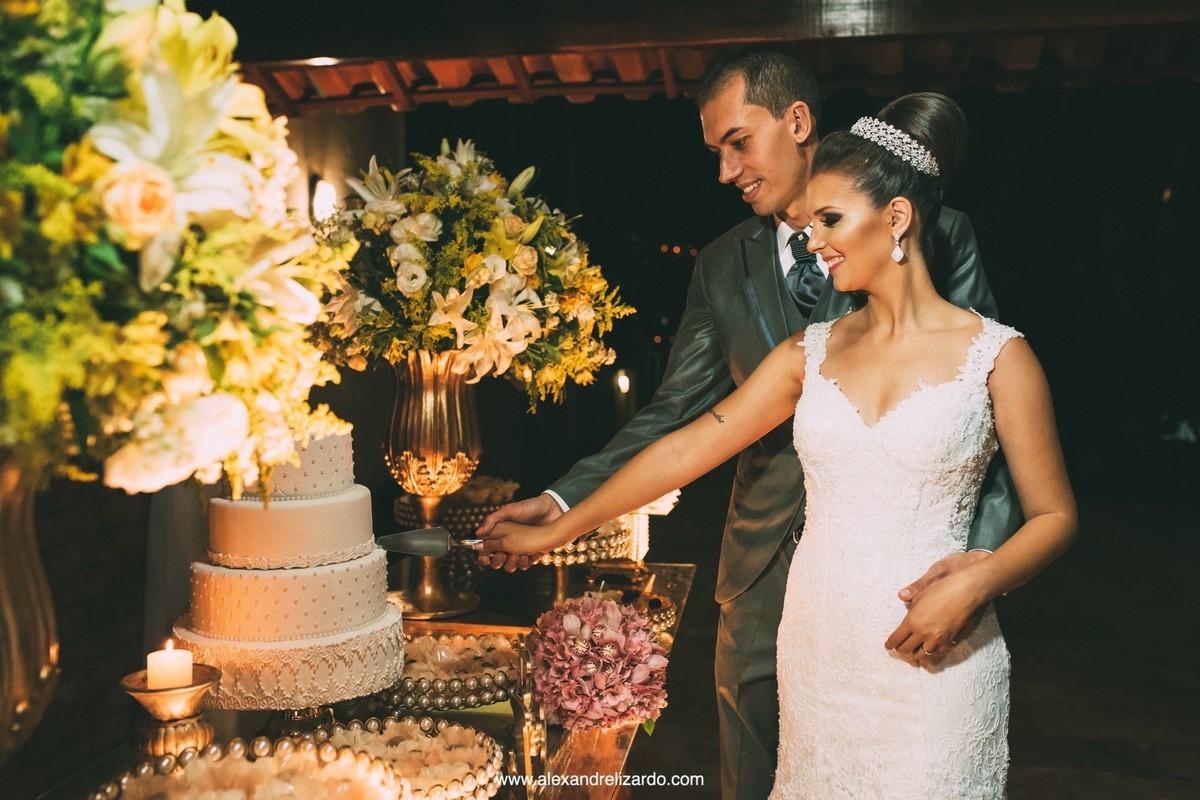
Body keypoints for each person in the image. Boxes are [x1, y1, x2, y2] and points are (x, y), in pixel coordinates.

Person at [480, 91, 1077, 799]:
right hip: (819, 651)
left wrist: (980, 579)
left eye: (831, 218)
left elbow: (1054, 517)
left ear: (896, 218)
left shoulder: (999, 358)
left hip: (936, 654)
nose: (814, 238)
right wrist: (562, 524)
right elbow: (689, 443)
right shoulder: (807, 353)